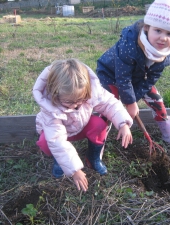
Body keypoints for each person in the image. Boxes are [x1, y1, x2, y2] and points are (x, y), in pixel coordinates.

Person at [96, 0, 170, 149]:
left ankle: (168, 135)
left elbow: (150, 79)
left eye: (169, 33)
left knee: (156, 100)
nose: (163, 38)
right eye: (158, 30)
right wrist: (130, 103)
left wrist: (133, 99)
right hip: (111, 74)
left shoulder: (165, 56)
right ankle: (98, 143)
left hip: (137, 78)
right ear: (146, 27)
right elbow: (122, 78)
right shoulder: (130, 45)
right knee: (108, 106)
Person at [33, 58, 133, 192]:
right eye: (69, 102)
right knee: (46, 142)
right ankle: (60, 161)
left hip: (80, 125)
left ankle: (93, 158)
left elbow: (110, 104)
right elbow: (57, 141)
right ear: (55, 94)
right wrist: (75, 170)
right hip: (58, 133)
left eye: (80, 100)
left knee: (99, 124)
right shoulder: (50, 109)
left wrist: (123, 124)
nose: (75, 105)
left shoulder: (90, 91)